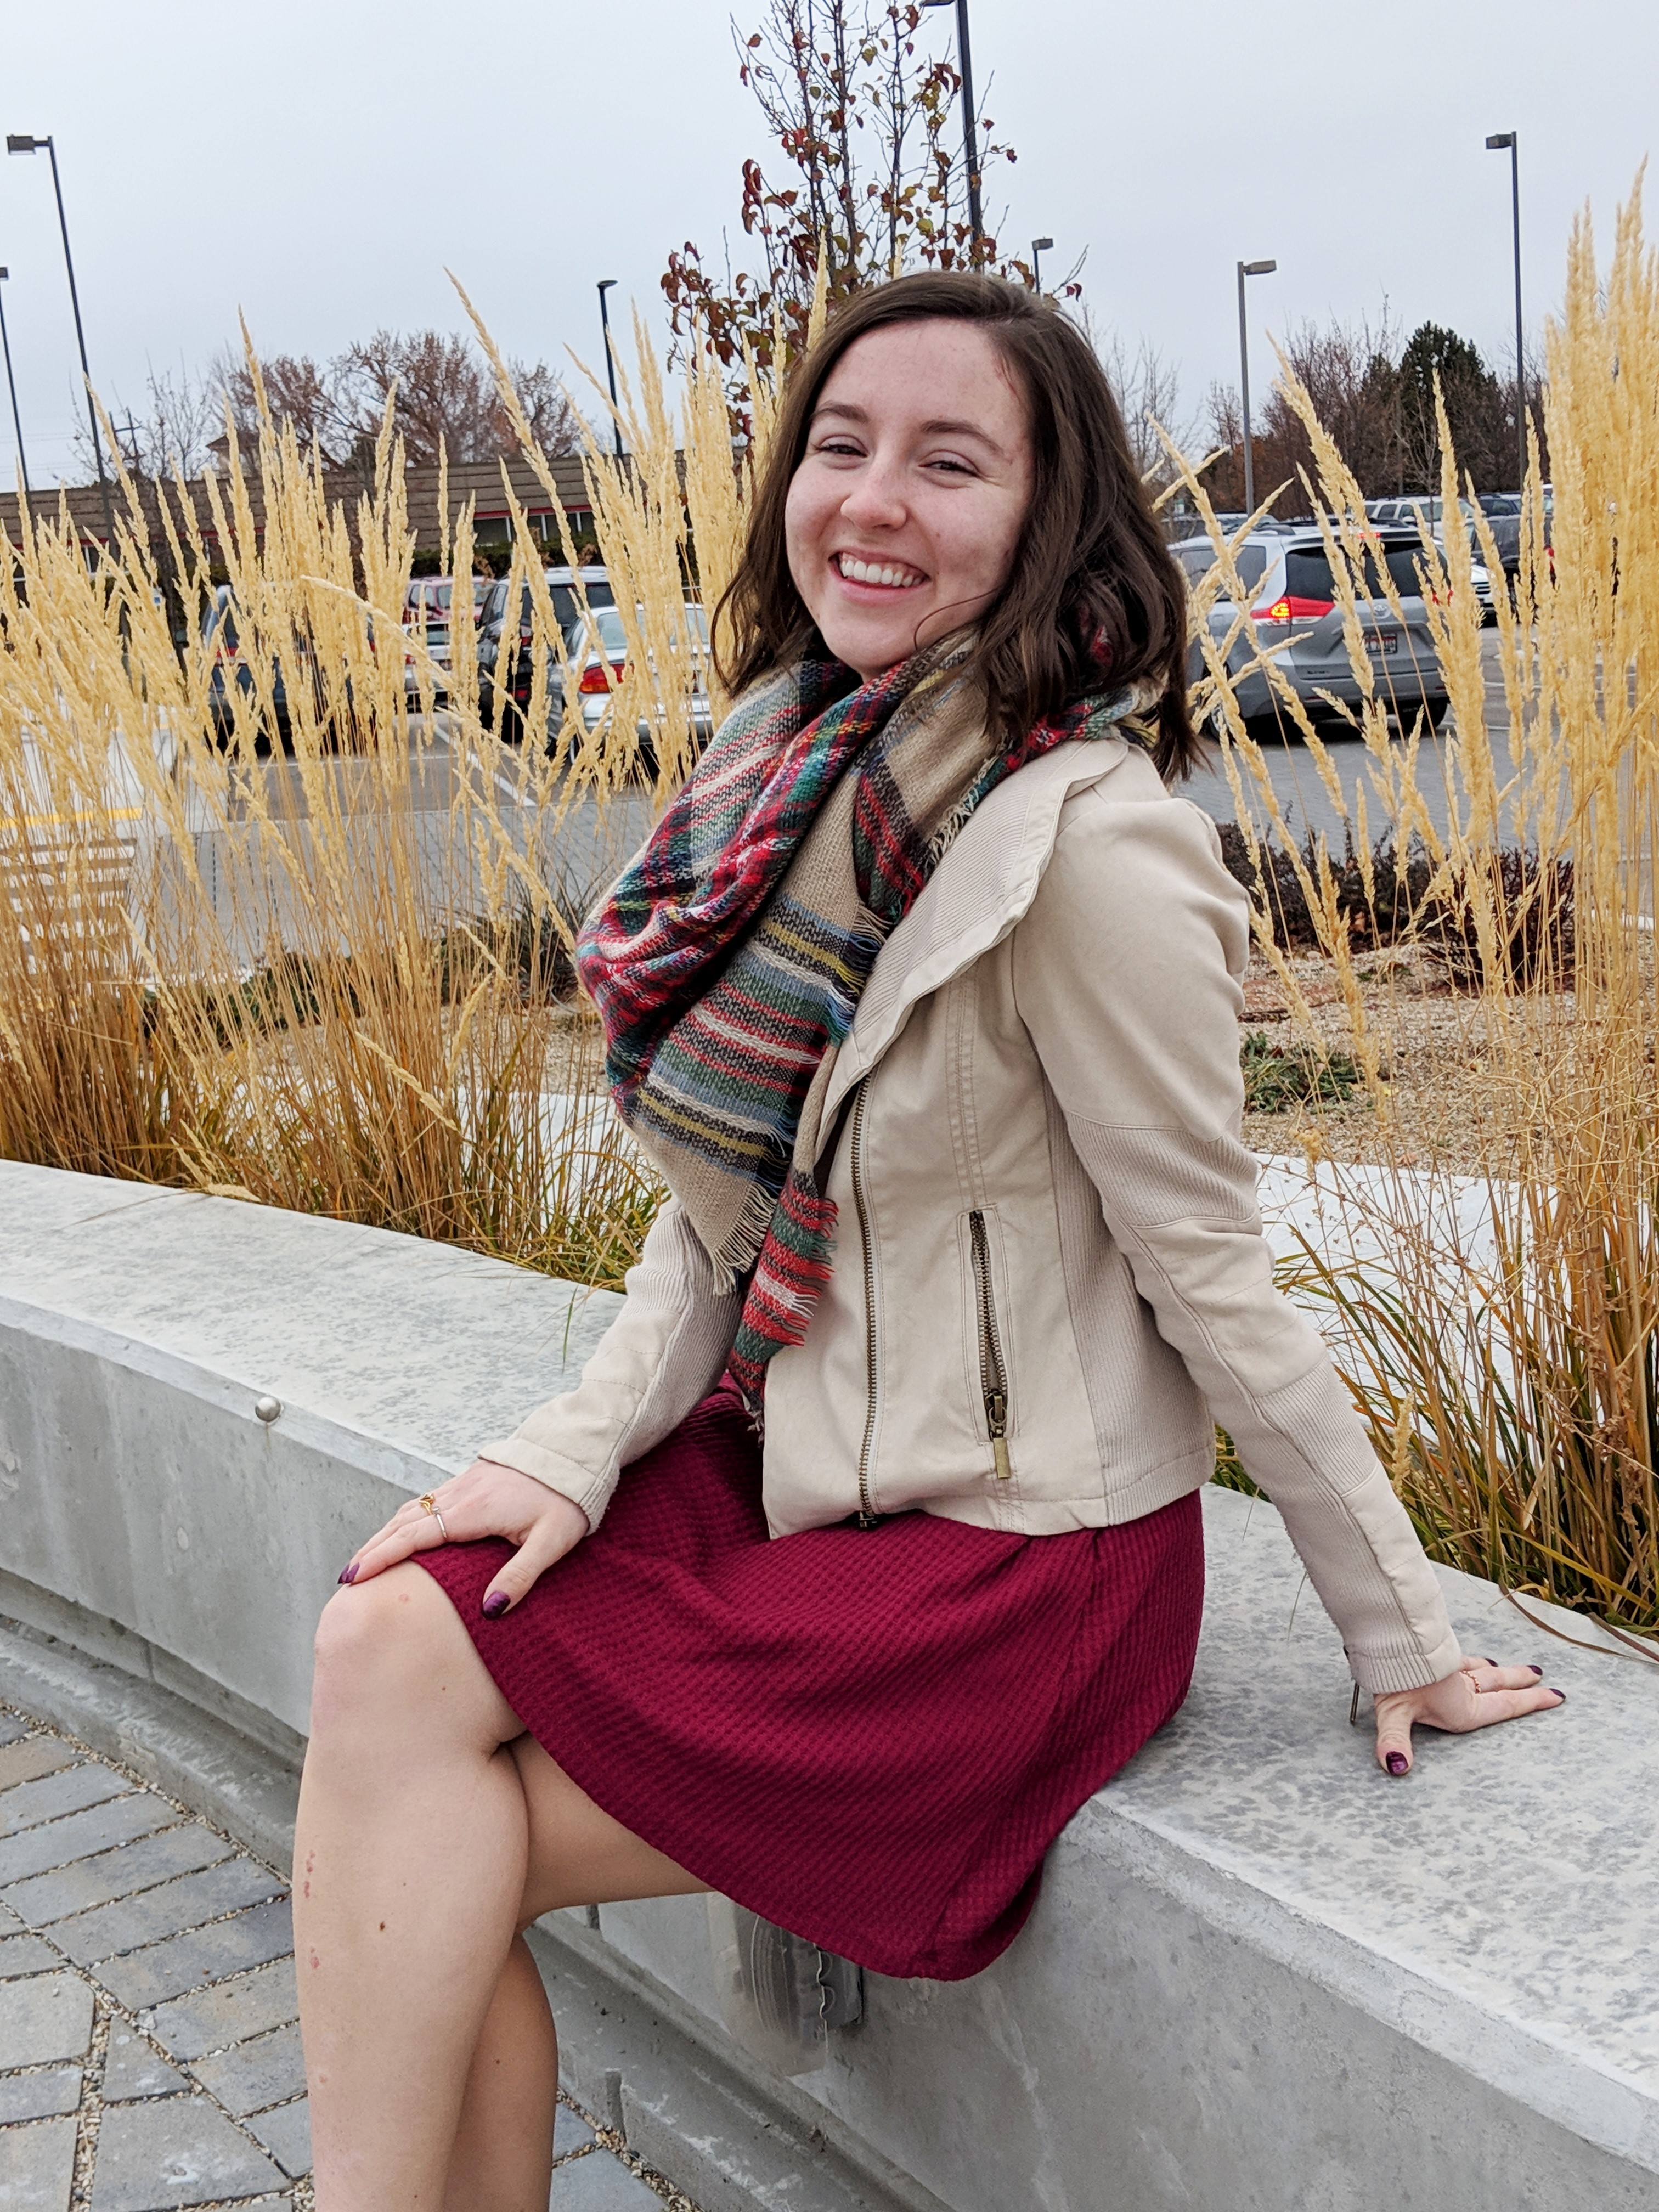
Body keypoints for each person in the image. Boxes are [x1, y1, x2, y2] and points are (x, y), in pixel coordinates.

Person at [294, 272, 1562, 2209]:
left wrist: (1402, 1630)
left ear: (1048, 517)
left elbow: (1212, 1260)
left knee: (430, 1845)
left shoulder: (1089, 842)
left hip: (1022, 1571)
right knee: (383, 1642)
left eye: (949, 462)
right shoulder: (793, 771)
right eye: (840, 444)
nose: (871, 499)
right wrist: (551, 1458)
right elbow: (715, 1213)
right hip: (815, 1465)